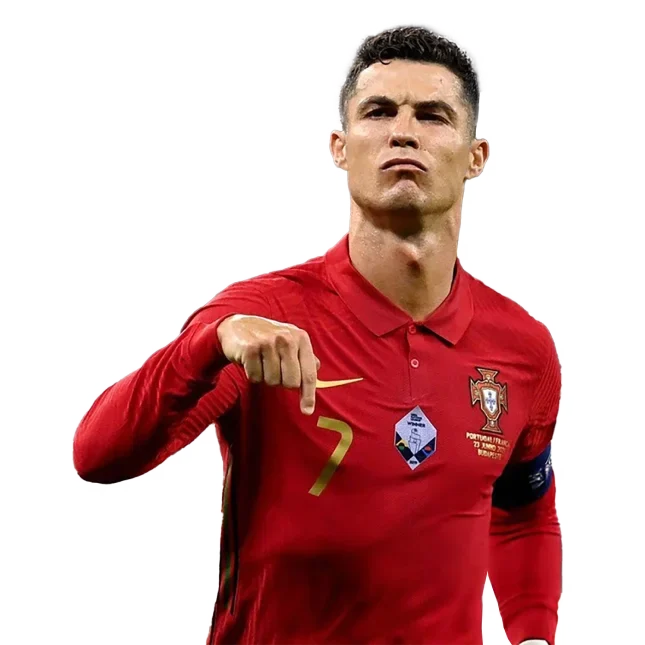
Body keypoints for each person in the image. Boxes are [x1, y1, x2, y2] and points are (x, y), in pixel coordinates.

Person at [72, 24, 562, 645]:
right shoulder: (259, 319)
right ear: (339, 147)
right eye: (378, 112)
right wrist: (206, 346)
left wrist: (534, 632)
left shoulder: (522, 349)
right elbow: (97, 457)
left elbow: (523, 511)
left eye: (432, 115)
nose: (402, 131)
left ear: (476, 157)